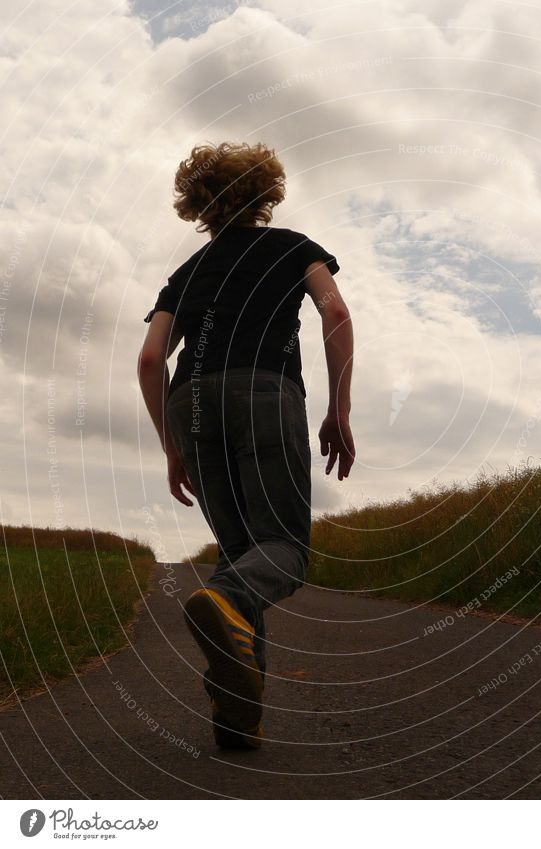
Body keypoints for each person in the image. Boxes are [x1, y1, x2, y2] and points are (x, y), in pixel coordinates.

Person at [137, 141, 355, 750]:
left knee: (241, 553)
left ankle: (237, 718)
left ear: (196, 205)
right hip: (265, 392)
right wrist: (338, 408)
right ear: (267, 193)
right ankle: (226, 600)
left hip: (191, 405)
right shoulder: (293, 248)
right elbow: (334, 313)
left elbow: (152, 358)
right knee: (282, 547)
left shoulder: (186, 275)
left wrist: (171, 445)